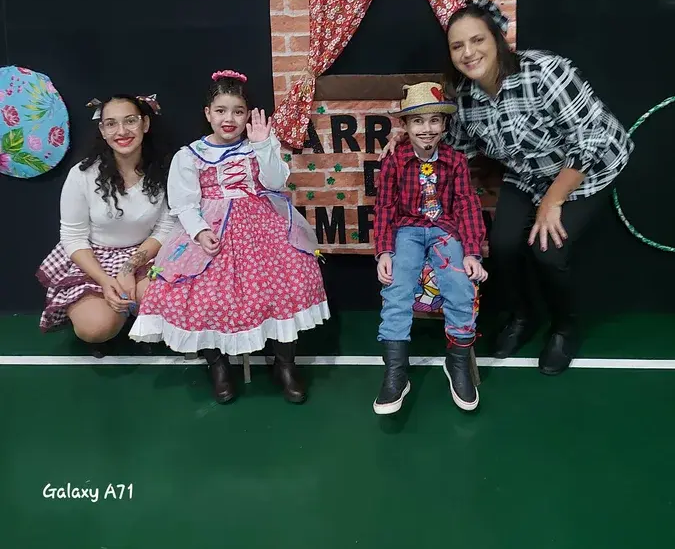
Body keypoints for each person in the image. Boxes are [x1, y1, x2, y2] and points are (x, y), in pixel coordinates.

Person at [382, 0, 633, 375]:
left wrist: (554, 200)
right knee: (501, 244)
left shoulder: (545, 70)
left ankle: (564, 329)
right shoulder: (464, 97)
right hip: (528, 173)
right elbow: (455, 149)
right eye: (457, 46)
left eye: (477, 40)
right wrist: (409, 141)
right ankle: (522, 316)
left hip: (589, 168)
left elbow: (590, 140)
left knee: (548, 250)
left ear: (497, 39)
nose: (468, 52)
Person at [130, 70, 329, 404]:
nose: (229, 119)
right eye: (221, 110)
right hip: (212, 229)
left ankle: (284, 364)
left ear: (247, 115)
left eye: (238, 111)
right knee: (205, 293)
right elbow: (183, 203)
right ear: (208, 113)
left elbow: (276, 182)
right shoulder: (190, 155)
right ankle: (218, 365)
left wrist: (264, 145)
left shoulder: (259, 145)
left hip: (263, 226)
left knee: (287, 282)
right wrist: (200, 231)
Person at [373, 81, 488, 416]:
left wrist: (472, 252)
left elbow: (466, 205)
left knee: (460, 284)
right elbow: (384, 207)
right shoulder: (395, 161)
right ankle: (396, 372)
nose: (427, 129)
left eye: (434, 120)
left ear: (444, 124)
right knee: (397, 287)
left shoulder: (455, 161)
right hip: (407, 230)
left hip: (443, 230)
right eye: (418, 121)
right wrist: (383, 251)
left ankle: (457, 363)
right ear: (405, 126)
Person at [37, 94, 173, 349]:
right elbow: (73, 237)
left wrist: (129, 269)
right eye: (111, 124)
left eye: (130, 121)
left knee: (164, 303)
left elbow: (166, 228)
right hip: (95, 259)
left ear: (145, 124)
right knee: (95, 328)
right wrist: (105, 280)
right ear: (102, 130)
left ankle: (135, 309)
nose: (121, 131)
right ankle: (117, 313)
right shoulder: (82, 175)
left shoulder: (165, 171)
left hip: (147, 255)